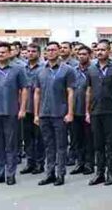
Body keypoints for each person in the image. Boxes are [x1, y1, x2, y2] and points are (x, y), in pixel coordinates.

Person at [0, 42, 29, 186]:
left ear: (9, 54)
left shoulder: (18, 70)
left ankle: (10, 173)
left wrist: (22, 109)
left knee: (10, 145)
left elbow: (24, 89)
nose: (0, 54)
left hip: (11, 112)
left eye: (3, 52)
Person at [86, 40, 112, 186]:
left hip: (111, 111)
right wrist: (87, 111)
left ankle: (110, 172)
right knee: (98, 144)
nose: (99, 52)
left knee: (110, 144)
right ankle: (99, 173)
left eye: (103, 50)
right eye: (97, 50)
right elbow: (89, 90)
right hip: (95, 111)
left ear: (109, 51)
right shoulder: (91, 68)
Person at [34, 42, 76, 186]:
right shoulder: (40, 70)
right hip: (44, 113)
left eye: (54, 50)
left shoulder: (67, 70)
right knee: (48, 145)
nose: (51, 52)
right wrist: (36, 114)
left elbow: (70, 92)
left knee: (61, 145)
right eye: (48, 50)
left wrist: (70, 112)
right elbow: (37, 93)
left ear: (59, 51)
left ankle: (60, 174)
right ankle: (49, 173)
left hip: (60, 113)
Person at [69, 46, 95, 176]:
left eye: (84, 54)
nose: (81, 56)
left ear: (90, 55)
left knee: (88, 139)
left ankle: (89, 164)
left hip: (89, 111)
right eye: (79, 54)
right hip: (75, 110)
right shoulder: (73, 71)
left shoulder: (93, 70)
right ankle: (80, 163)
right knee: (77, 139)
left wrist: (89, 111)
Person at [20, 43, 45, 175]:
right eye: (28, 51)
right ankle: (30, 162)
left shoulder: (43, 68)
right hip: (26, 107)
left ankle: (40, 163)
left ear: (39, 53)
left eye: (33, 51)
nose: (30, 53)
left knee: (39, 137)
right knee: (27, 137)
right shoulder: (22, 68)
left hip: (39, 108)